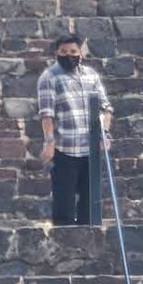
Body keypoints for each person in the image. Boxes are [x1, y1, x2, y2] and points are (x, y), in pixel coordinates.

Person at [37, 33, 113, 225]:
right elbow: (47, 114)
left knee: (90, 203)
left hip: (90, 149)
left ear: (81, 53)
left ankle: (90, 245)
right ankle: (65, 248)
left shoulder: (91, 76)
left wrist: (104, 133)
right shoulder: (49, 77)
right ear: (56, 53)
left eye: (73, 51)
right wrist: (49, 142)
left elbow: (106, 108)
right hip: (65, 149)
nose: (68, 55)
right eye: (63, 52)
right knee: (64, 204)